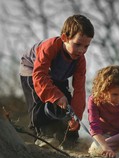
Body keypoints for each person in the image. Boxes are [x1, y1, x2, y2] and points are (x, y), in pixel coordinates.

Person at [19, 14, 94, 149]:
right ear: (65, 38)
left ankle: (68, 138)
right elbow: (40, 75)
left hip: (57, 76)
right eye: (77, 44)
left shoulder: (80, 60)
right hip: (33, 71)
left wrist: (76, 117)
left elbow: (79, 90)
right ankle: (42, 135)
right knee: (40, 99)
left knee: (67, 103)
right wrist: (56, 96)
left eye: (86, 46)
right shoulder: (50, 47)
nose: (81, 50)